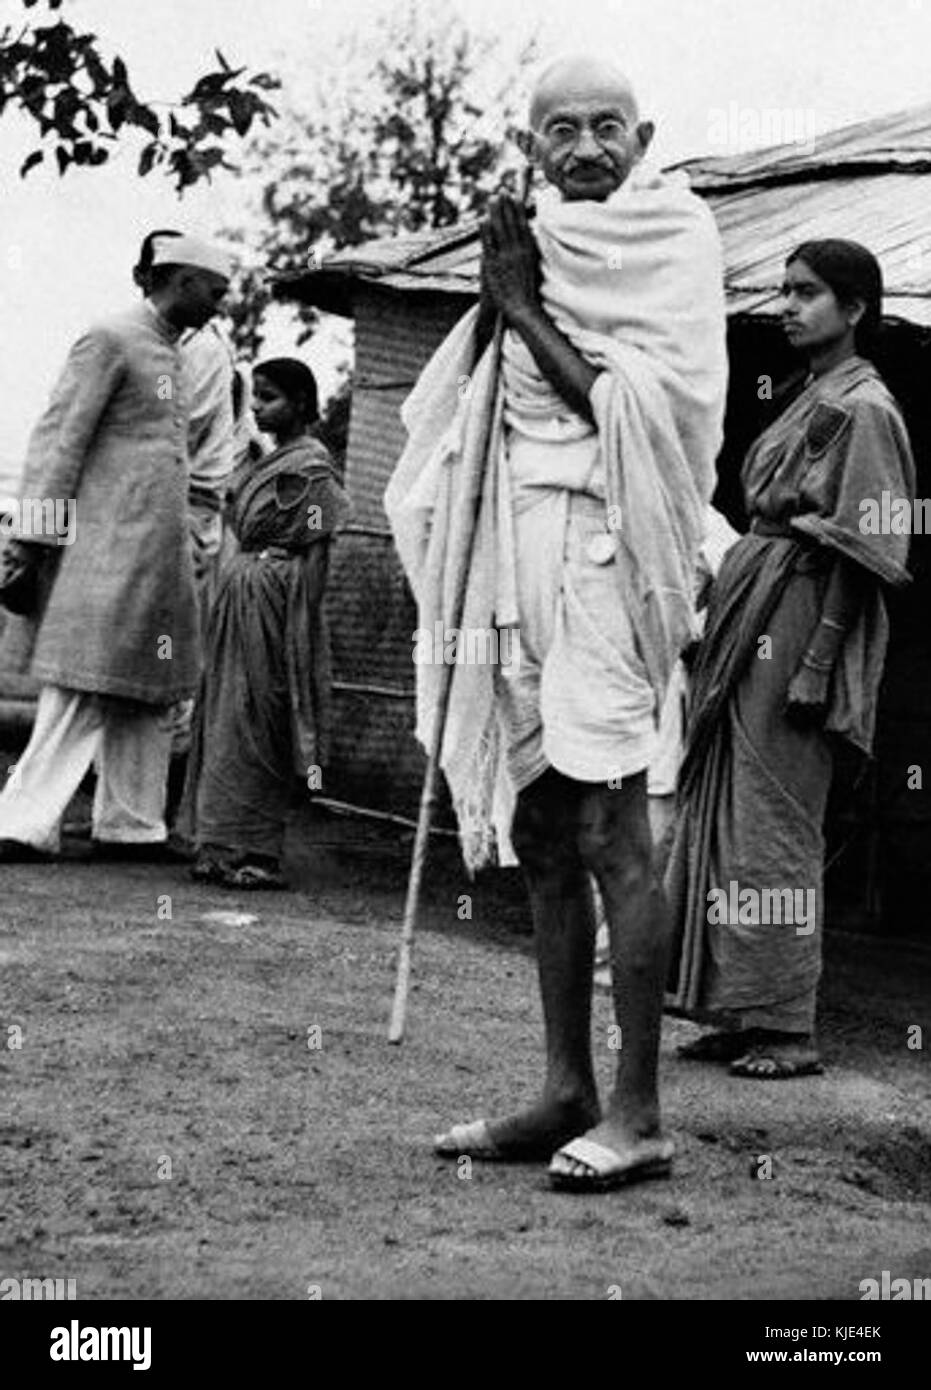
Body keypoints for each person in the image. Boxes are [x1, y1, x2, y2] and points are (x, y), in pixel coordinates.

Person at [386, 54, 728, 1190]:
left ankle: (639, 1112)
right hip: (513, 556)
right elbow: (486, 401)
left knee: (612, 835)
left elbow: (632, 410)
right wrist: (501, 304)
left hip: (608, 554)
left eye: (605, 128)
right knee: (539, 832)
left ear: (644, 136)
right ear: (531, 144)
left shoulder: (670, 240)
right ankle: (562, 1089)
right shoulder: (524, 235)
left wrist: (522, 308)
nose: (583, 148)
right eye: (559, 131)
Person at [665, 239, 915, 1078]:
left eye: (805, 293)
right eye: (782, 291)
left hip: (804, 613)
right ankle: (736, 1004)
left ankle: (786, 1024)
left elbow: (864, 545)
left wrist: (817, 664)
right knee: (725, 808)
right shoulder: (807, 397)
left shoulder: (866, 410)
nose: (785, 305)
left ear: (853, 310)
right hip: (756, 603)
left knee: (773, 815)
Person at [0, 235, 232, 861]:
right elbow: (58, 440)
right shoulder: (110, 337)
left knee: (148, 685)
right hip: (104, 548)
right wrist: (30, 539)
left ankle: (131, 826)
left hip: (159, 549)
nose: (221, 303)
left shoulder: (179, 353)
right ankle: (19, 824)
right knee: (87, 682)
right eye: (214, 291)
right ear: (178, 280)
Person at [180, 359, 350, 889]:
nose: (256, 407)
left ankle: (255, 851)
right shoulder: (263, 460)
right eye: (255, 397)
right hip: (239, 597)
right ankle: (217, 842)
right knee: (225, 710)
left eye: (270, 398)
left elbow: (318, 550)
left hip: (278, 605)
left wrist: (302, 623)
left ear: (301, 403)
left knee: (263, 712)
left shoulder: (312, 468)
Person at [132, 230, 238, 817]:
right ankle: (139, 800)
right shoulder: (157, 342)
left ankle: (164, 802)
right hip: (164, 511)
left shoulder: (199, 351)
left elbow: (175, 431)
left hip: (187, 513)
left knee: (172, 662)